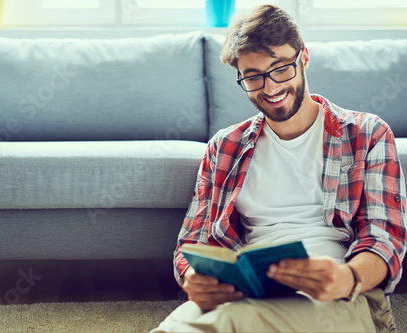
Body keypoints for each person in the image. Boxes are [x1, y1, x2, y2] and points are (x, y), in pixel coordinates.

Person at [152, 4, 406, 333]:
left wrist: (348, 277)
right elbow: (193, 241)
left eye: (281, 69)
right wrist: (193, 279)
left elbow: (384, 240)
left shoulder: (367, 134)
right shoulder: (225, 146)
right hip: (250, 292)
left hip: (340, 295)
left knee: (225, 323)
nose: (270, 88)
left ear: (304, 58)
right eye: (253, 77)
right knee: (184, 322)